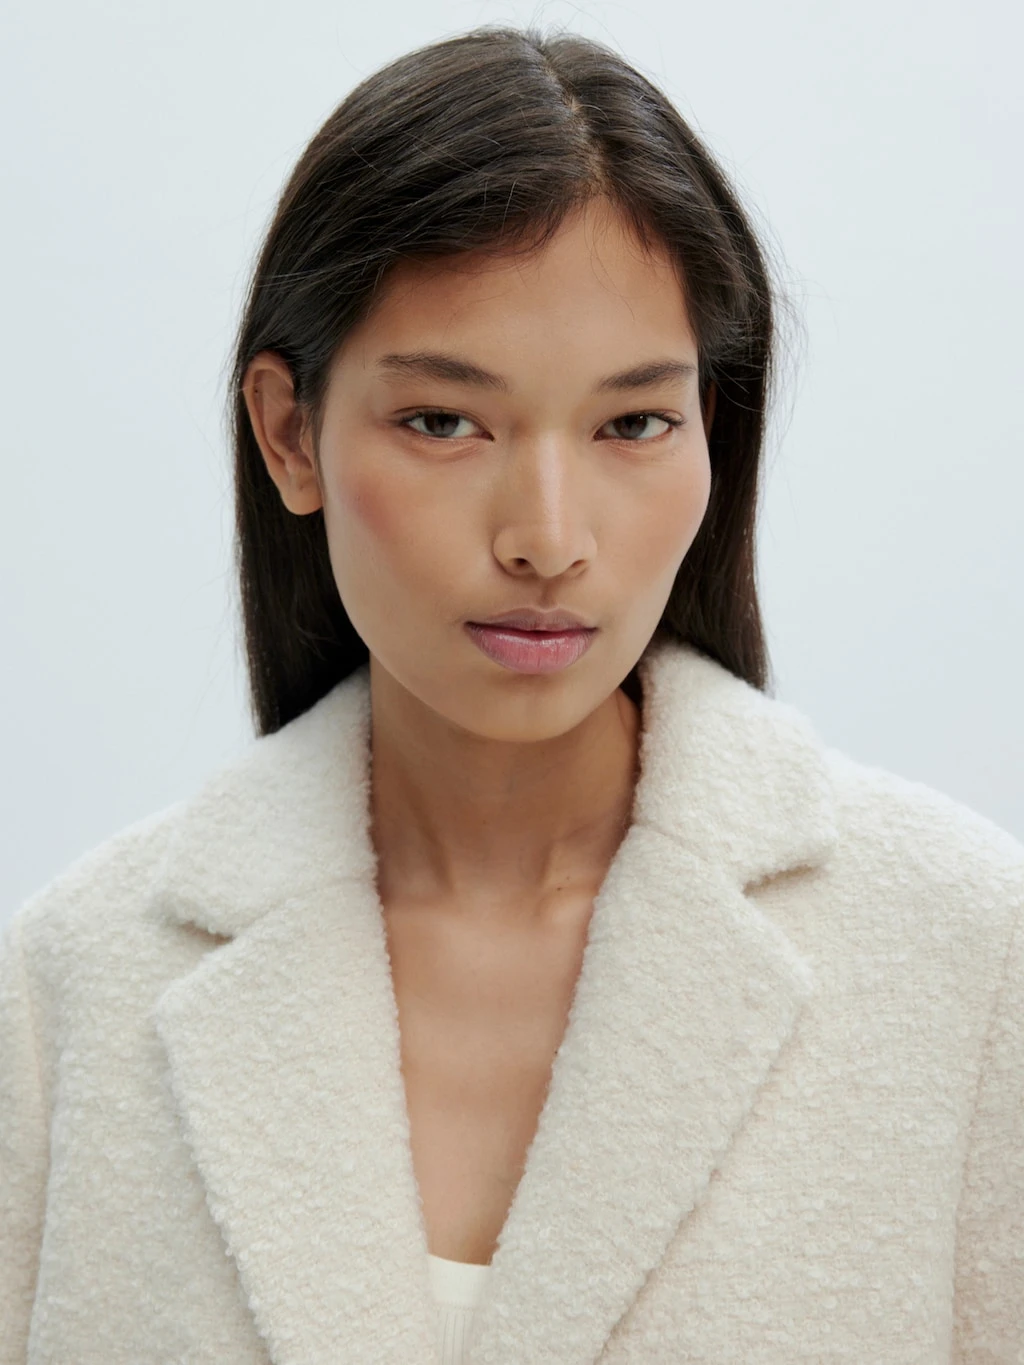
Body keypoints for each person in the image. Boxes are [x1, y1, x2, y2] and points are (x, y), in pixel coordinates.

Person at [1, 23, 1021, 1365]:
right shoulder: (69, 996)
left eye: (633, 424)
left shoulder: (967, 961)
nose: (547, 536)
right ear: (290, 433)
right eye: (445, 421)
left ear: (714, 434)